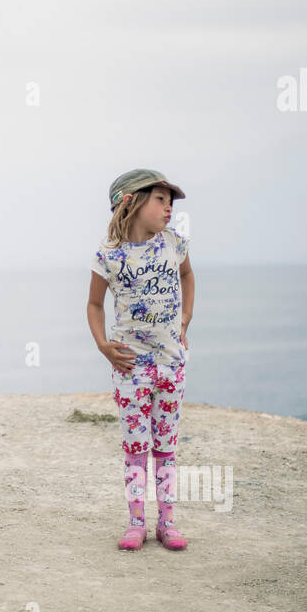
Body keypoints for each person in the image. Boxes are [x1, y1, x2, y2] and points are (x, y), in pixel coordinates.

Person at [86, 169, 196, 551]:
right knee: (136, 447)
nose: (169, 209)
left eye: (171, 202)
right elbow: (95, 304)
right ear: (130, 202)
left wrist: (185, 319)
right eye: (160, 200)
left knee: (165, 447)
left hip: (170, 365)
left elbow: (187, 276)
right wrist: (103, 345)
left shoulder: (174, 244)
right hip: (130, 368)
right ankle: (136, 523)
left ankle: (167, 522)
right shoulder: (110, 255)